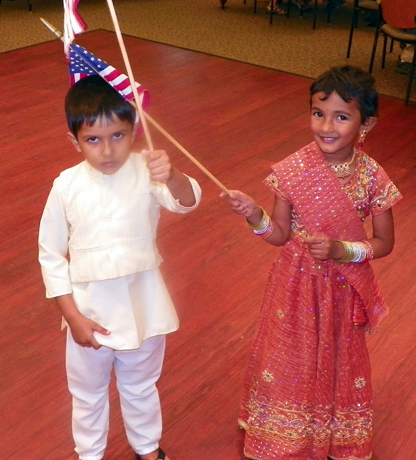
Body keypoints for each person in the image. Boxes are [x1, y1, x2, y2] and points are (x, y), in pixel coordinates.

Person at [221, 66, 402, 460]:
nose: (326, 126)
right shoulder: (293, 170)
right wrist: (254, 215)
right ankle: (285, 430)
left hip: (342, 286)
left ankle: (333, 429)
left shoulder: (372, 176)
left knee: (337, 353)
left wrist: (343, 250)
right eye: (318, 113)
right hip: (293, 283)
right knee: (290, 353)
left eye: (341, 116)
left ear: (365, 123)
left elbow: (385, 242)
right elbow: (279, 235)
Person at [38, 75, 202, 460]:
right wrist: (72, 316)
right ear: (74, 141)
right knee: (87, 391)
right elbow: (49, 253)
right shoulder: (65, 186)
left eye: (118, 135)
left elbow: (188, 201)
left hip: (143, 305)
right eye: (93, 139)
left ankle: (147, 448)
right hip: (88, 310)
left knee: (141, 384)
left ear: (134, 131)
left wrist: (173, 174)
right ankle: (90, 453)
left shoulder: (147, 169)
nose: (108, 150)